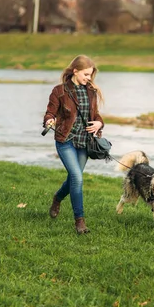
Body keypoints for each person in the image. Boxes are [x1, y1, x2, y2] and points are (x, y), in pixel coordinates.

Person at [43, 55, 105, 234]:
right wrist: (49, 121)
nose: (89, 78)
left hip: (84, 142)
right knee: (77, 178)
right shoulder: (59, 91)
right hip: (65, 141)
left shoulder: (91, 91)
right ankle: (80, 222)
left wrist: (99, 123)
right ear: (75, 71)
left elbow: (96, 114)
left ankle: (57, 198)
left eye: (91, 75)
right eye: (86, 74)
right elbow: (50, 112)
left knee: (73, 178)